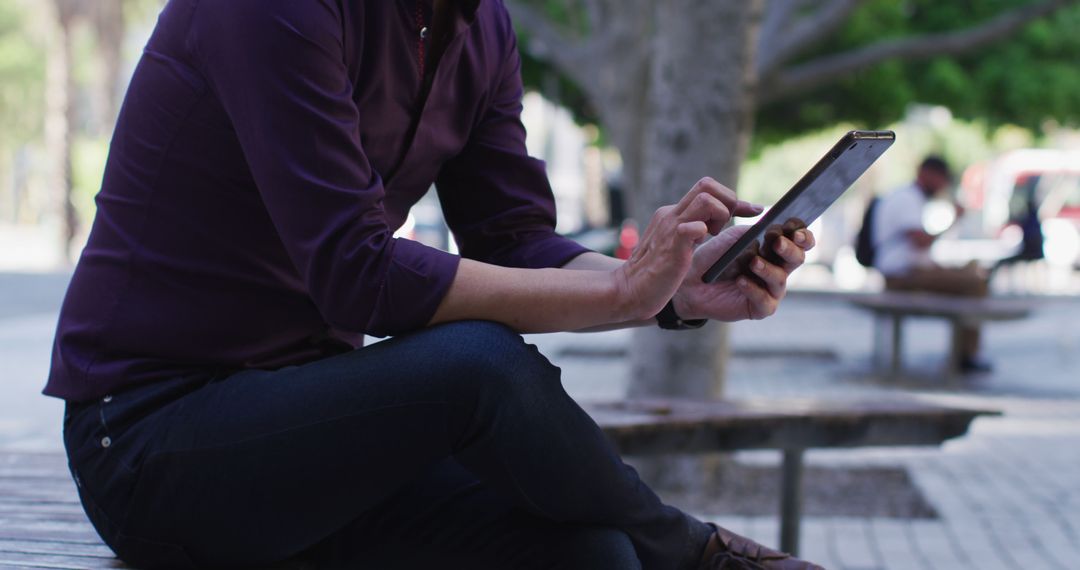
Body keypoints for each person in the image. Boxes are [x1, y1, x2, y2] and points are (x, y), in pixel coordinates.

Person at [46, 1, 823, 569]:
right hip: (151, 441)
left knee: (593, 556)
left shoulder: (479, 26)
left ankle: (676, 552)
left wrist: (672, 287)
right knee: (474, 364)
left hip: (311, 436)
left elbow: (514, 241)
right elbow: (360, 276)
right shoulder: (273, 11)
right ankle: (700, 556)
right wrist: (624, 294)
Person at [872, 156, 991, 373]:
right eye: (942, 180)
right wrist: (953, 219)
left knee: (974, 270)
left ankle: (966, 352)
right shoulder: (906, 198)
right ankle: (966, 355)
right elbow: (920, 242)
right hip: (901, 274)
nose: (943, 186)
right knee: (974, 283)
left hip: (910, 270)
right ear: (927, 174)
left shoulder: (911, 197)